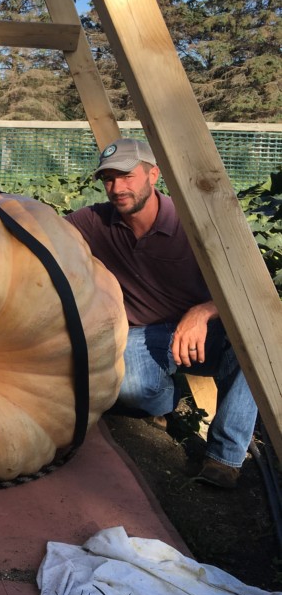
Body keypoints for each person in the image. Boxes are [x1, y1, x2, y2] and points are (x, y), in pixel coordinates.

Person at [64, 138, 258, 489]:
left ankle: (224, 457)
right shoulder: (94, 221)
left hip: (208, 334)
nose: (117, 188)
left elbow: (250, 287)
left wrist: (203, 311)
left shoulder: (193, 223)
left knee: (256, 341)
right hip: (145, 335)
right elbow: (40, 227)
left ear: (153, 175)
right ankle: (168, 404)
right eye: (108, 178)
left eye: (127, 176)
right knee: (127, 387)